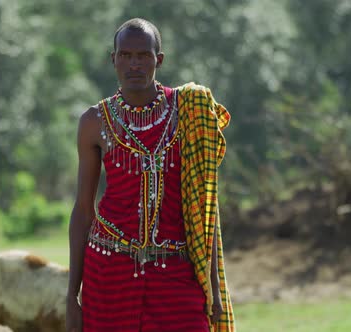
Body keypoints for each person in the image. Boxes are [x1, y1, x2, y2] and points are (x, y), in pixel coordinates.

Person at [66, 18, 235, 332]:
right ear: (113, 59)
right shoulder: (93, 121)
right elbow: (83, 210)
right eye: (125, 55)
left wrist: (212, 288)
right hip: (108, 274)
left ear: (159, 59)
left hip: (175, 273)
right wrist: (71, 297)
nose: (134, 64)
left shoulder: (189, 110)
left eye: (143, 56)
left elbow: (203, 208)